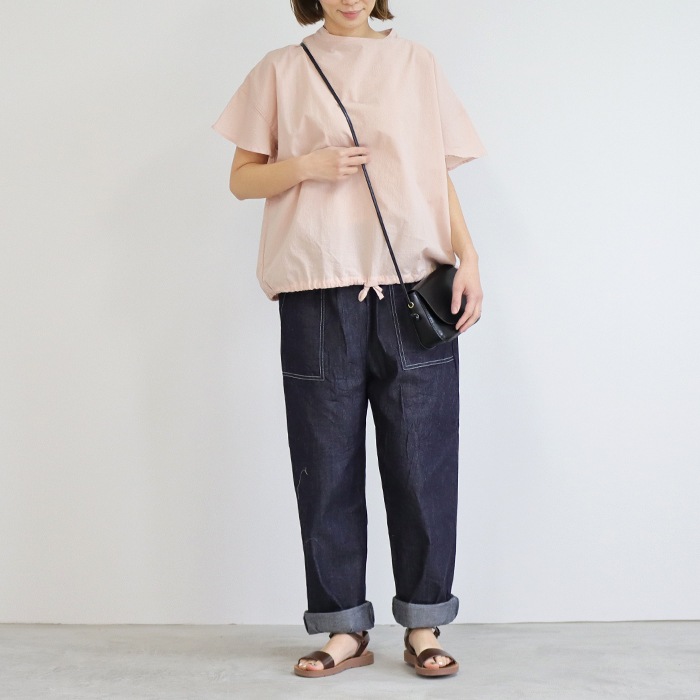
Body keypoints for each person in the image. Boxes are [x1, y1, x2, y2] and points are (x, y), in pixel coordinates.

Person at [211, 0, 485, 679]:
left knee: (423, 463)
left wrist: (471, 258)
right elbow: (242, 178)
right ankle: (343, 628)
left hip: (413, 288)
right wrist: (308, 165)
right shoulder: (282, 69)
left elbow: (435, 176)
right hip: (318, 289)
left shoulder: (415, 63)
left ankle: (424, 622)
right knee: (325, 464)